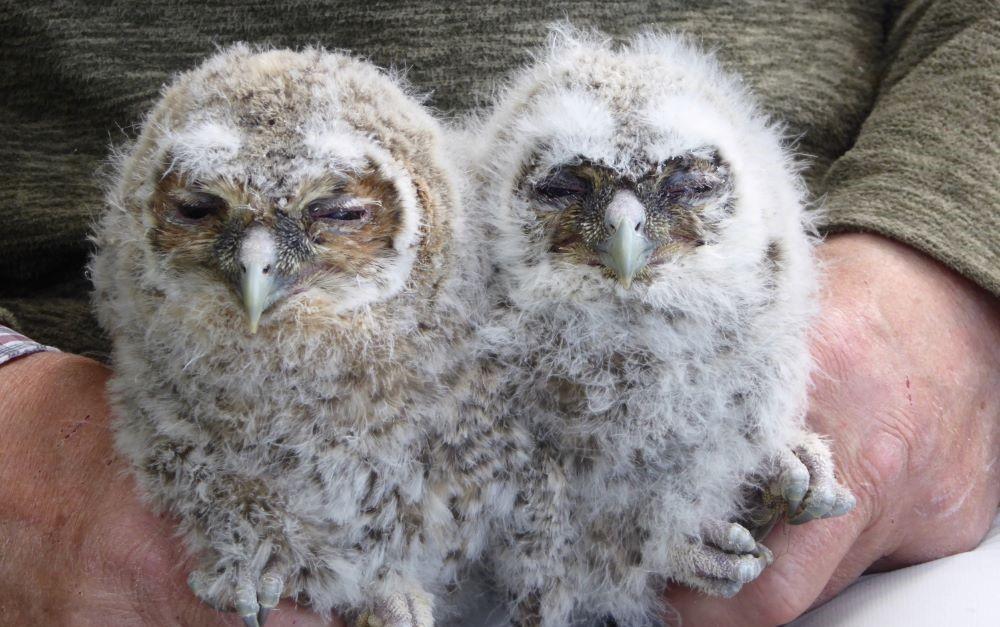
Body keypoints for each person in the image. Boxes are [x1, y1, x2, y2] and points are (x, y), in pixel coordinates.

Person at [1, 1, 997, 625]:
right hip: (96, 513)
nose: (261, 259)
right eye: (202, 213)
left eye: (339, 218)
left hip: (839, 491)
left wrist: (944, 261)